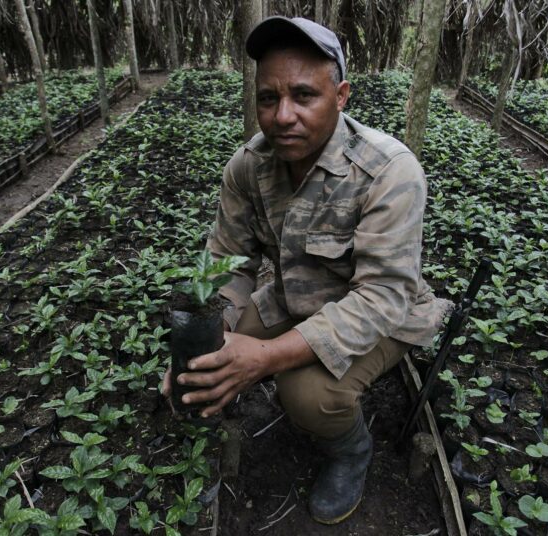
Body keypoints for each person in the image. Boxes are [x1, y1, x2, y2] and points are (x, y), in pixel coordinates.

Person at [162, 16, 451, 525]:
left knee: (308, 395)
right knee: (211, 352)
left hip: (382, 314)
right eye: (268, 98)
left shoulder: (388, 170)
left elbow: (382, 297)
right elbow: (230, 258)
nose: (283, 116)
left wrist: (267, 357)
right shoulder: (248, 166)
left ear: (340, 96)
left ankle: (350, 452)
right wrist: (218, 329)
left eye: (303, 95)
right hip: (296, 297)